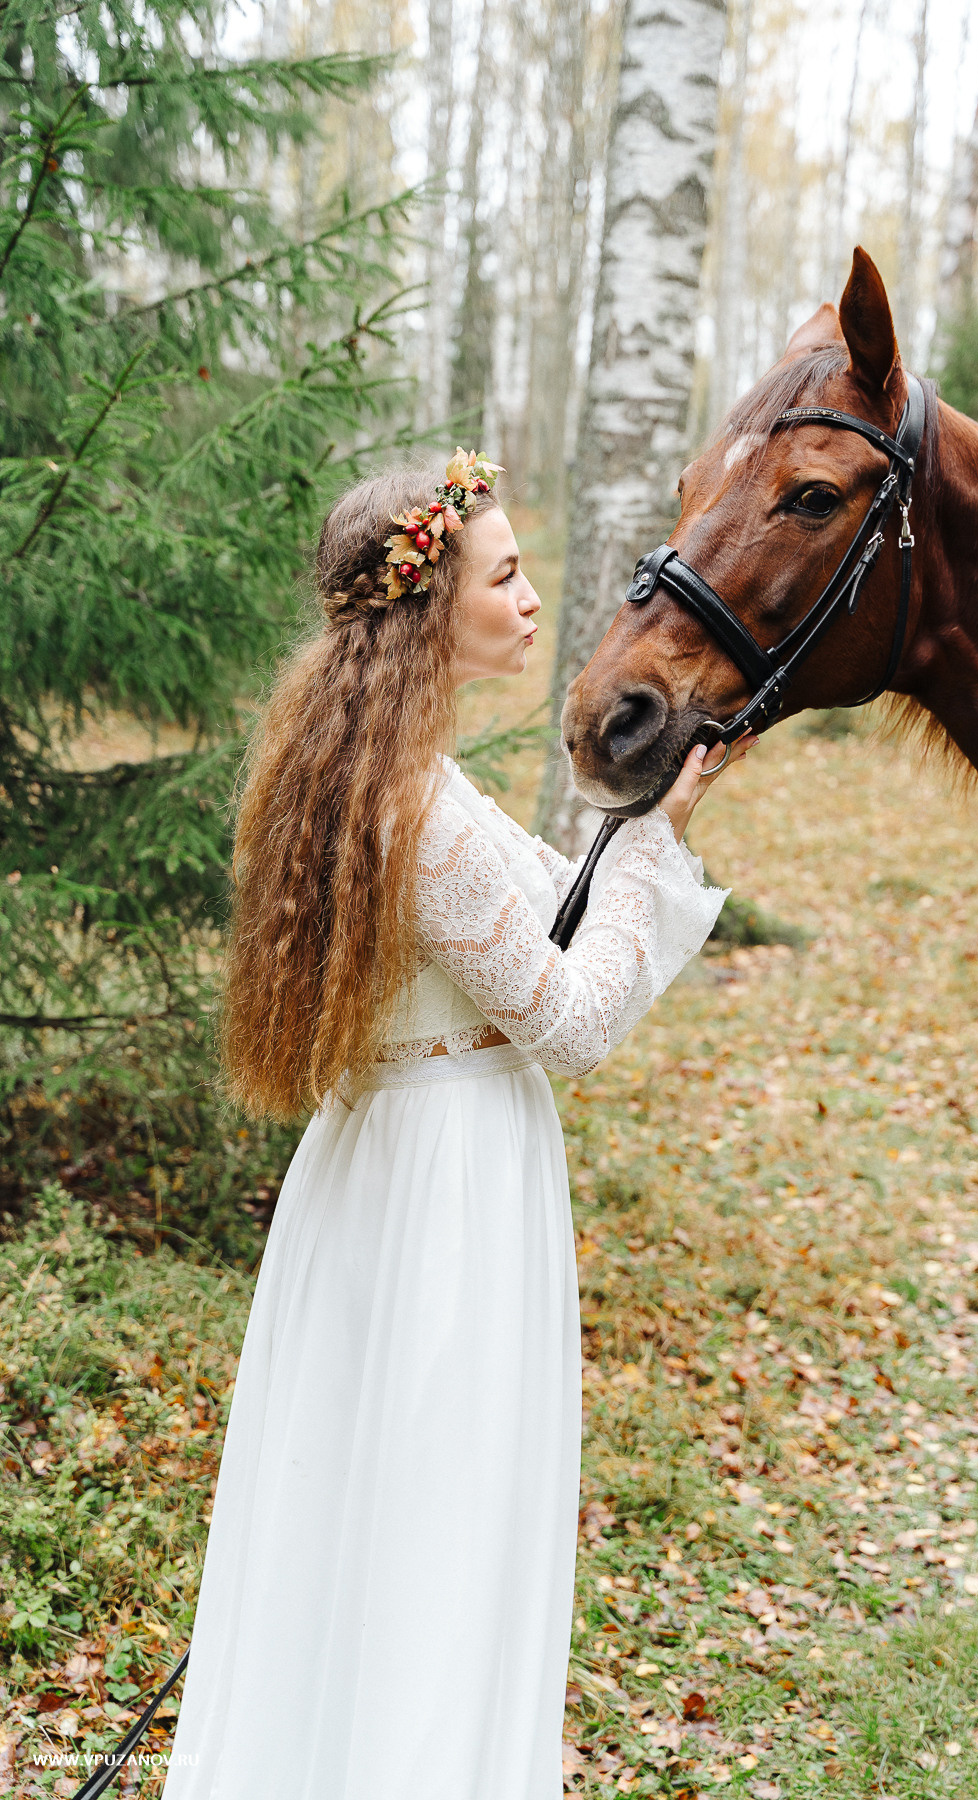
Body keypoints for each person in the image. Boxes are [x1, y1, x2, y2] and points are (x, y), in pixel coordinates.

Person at [163, 452, 753, 1799]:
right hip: (448, 1196)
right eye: (505, 575)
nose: (535, 598)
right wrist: (657, 849)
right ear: (433, 611)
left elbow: (536, 910)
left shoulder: (373, 774)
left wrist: (647, 819)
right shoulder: (417, 812)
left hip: (382, 1172)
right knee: (434, 1536)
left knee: (361, 1525)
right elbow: (573, 1017)